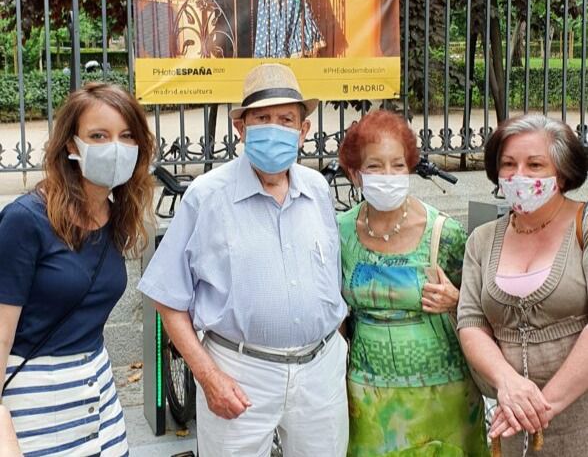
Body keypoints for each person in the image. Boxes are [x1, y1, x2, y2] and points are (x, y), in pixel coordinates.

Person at [139, 63, 349, 457]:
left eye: (287, 119)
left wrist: (335, 347)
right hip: (239, 371)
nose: (275, 127)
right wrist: (208, 375)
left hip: (319, 371)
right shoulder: (207, 197)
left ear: (304, 131)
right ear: (241, 129)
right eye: (263, 118)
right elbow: (167, 298)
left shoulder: (318, 189)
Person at [0, 82, 155, 456]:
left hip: (98, 396)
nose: (115, 147)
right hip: (34, 405)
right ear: (71, 145)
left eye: (126, 135)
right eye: (98, 136)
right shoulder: (25, 221)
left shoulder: (117, 215)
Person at [337, 110, 488, 456]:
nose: (387, 175)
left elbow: (486, 308)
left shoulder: (444, 233)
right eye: (374, 167)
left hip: (444, 393)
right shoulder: (340, 232)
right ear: (355, 173)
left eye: (397, 165)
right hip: (369, 395)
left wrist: (457, 300)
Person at [458, 114, 588, 456]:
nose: (519, 176)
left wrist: (541, 407)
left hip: (575, 418)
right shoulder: (482, 240)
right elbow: (471, 323)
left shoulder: (584, 227)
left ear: (560, 174)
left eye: (534, 165)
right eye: (508, 164)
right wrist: (508, 384)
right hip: (511, 418)